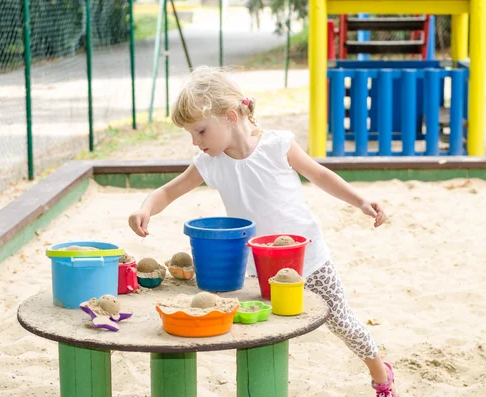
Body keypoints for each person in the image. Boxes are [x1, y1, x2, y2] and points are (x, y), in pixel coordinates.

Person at [127, 66, 398, 397]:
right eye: (191, 136)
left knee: (341, 321)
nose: (196, 143)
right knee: (261, 335)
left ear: (229, 116)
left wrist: (360, 200)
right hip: (257, 269)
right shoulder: (209, 163)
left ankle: (381, 374)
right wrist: (145, 208)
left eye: (200, 131)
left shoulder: (277, 144)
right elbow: (168, 192)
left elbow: (320, 175)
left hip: (309, 260)